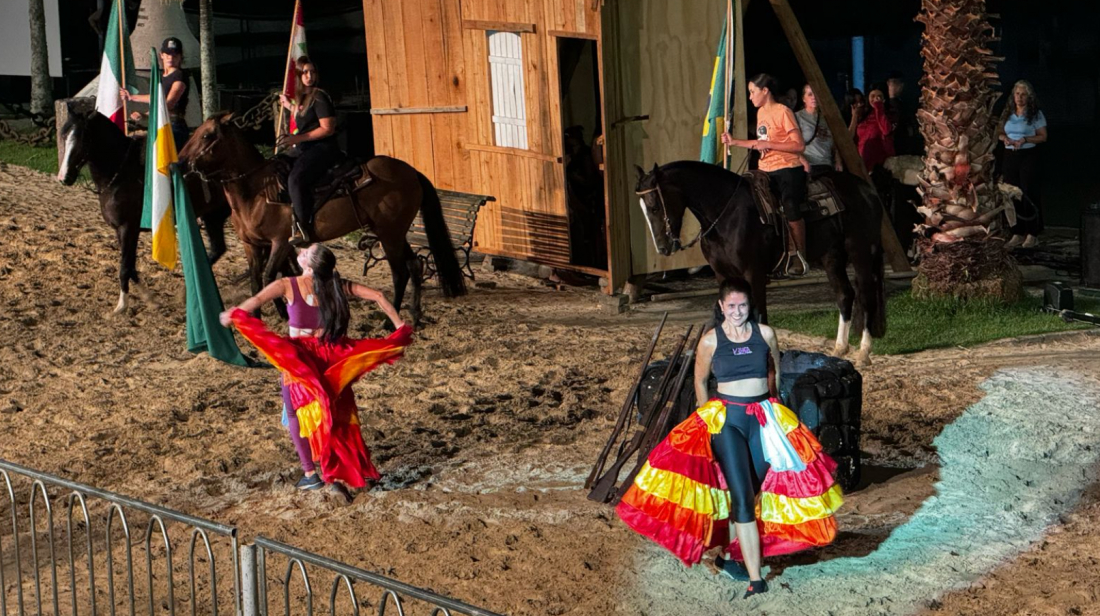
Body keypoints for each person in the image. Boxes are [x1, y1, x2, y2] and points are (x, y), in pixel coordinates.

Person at [616, 278, 843, 598]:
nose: (737, 312)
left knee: (754, 490)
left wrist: (776, 409)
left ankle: (727, 557)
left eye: (743, 305)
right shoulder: (711, 341)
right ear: (722, 306)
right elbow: (700, 381)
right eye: (731, 306)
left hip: (763, 417)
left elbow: (774, 372)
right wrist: (706, 418)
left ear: (750, 306)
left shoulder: (766, 334)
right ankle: (756, 579)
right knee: (742, 497)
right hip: (728, 422)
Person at [220, 244, 410, 502]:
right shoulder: (337, 285)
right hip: (331, 357)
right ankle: (354, 470)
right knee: (340, 412)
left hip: (301, 359)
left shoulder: (288, 284)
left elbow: (255, 302)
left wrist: (233, 314)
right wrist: (400, 326)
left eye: (305, 252)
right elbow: (378, 295)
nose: (300, 252)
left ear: (309, 265)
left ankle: (310, 473)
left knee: (294, 412)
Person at [722, 74, 809, 276]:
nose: (750, 96)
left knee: (789, 205)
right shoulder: (761, 113)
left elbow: (799, 145)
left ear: (765, 91)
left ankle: (798, 254)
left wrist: (769, 144)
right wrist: (734, 142)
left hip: (787, 168)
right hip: (765, 170)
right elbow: (760, 143)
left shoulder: (783, 111)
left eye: (752, 92)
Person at [277, 56, 342, 246]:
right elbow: (303, 116)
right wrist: (288, 105)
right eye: (305, 72)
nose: (309, 76)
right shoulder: (303, 98)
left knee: (296, 178)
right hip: (305, 147)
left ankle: (302, 227)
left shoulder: (319, 96)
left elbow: (327, 128)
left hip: (323, 147)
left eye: (312, 72)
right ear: (298, 75)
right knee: (277, 167)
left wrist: (297, 139)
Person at [997, 80, 1048, 249]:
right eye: (1017, 94)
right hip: (1010, 155)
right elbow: (999, 131)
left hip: (1028, 155)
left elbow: (1043, 136)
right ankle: (1017, 232)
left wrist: (1025, 139)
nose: (1020, 97)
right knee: (1011, 193)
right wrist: (1004, 138)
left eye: (1023, 94)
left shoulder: (1035, 114)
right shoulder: (1008, 113)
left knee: (1028, 192)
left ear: (1029, 97)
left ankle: (1032, 233)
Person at [120, 37, 190, 147]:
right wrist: (131, 97)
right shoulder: (162, 77)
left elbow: (168, 104)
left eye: (175, 55)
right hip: (160, 124)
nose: (171, 58)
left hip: (173, 126)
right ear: (161, 55)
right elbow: (156, 97)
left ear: (180, 56)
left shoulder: (180, 76)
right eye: (168, 54)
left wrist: (145, 115)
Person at [795, 84, 842, 178]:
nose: (814, 97)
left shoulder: (827, 118)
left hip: (826, 164)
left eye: (816, 94)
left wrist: (838, 160)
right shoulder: (798, 117)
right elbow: (791, 143)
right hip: (810, 165)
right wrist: (803, 161)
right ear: (804, 99)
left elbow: (834, 142)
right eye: (810, 94)